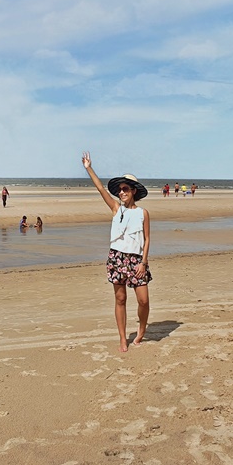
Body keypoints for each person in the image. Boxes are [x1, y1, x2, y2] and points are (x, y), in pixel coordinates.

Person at [82, 151, 151, 353]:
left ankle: (141, 328)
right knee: (120, 299)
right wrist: (88, 168)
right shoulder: (115, 209)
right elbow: (100, 188)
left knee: (143, 300)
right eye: (120, 190)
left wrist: (143, 262)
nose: (121, 192)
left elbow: (147, 239)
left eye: (125, 189)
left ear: (134, 191)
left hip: (137, 260)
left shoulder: (142, 213)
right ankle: (122, 338)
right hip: (117, 258)